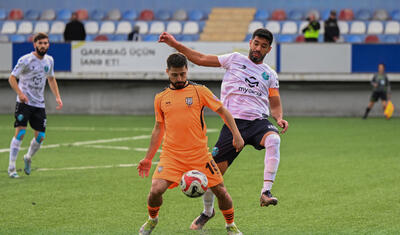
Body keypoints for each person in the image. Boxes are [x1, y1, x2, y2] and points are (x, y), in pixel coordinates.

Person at [158, 28, 289, 230]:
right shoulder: (234, 59)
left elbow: (275, 102)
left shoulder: (270, 75)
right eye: (256, 43)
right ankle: (207, 212)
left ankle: (266, 192)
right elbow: (200, 58)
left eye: (263, 46)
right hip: (232, 123)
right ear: (250, 43)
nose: (258, 48)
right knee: (213, 178)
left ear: (268, 49)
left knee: (274, 140)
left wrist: (279, 118)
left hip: (258, 123)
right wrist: (174, 44)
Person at [137, 53, 245, 235]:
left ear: (187, 71)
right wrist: (148, 158)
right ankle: (152, 220)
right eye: (175, 75)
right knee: (155, 190)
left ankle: (230, 225)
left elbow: (223, 111)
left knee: (221, 191)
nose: (179, 78)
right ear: (167, 72)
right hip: (171, 156)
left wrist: (237, 134)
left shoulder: (199, 91)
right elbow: (158, 128)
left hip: (199, 155)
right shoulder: (161, 98)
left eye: (182, 74)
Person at [7, 32, 63, 178]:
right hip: (24, 103)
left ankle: (28, 157)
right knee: (20, 133)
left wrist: (57, 96)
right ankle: (11, 167)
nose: (43, 46)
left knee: (41, 137)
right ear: (35, 44)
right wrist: (20, 93)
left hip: (39, 104)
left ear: (48, 45)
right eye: (40, 43)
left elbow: (51, 79)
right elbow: (12, 78)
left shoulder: (49, 60)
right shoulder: (26, 60)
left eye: (46, 43)